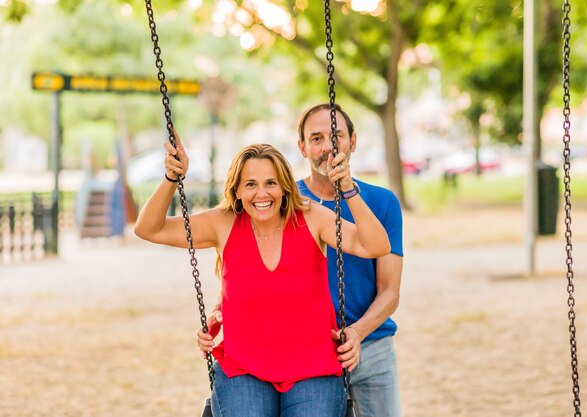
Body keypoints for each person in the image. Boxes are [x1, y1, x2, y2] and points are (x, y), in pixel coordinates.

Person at [135, 135, 390, 417]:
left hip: (313, 366)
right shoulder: (223, 223)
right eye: (251, 184)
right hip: (243, 368)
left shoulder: (311, 217)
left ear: (283, 186)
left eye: (271, 183)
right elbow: (148, 228)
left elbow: (377, 245)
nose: (262, 194)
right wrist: (172, 178)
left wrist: (348, 189)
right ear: (238, 190)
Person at [198, 104, 404, 417]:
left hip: (369, 342)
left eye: (335, 136)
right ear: (302, 147)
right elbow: (244, 265)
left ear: (353, 141)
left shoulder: (380, 202)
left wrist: (358, 333)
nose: (326, 147)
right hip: (300, 352)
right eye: (316, 138)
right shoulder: (275, 198)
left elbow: (390, 290)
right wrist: (219, 308)